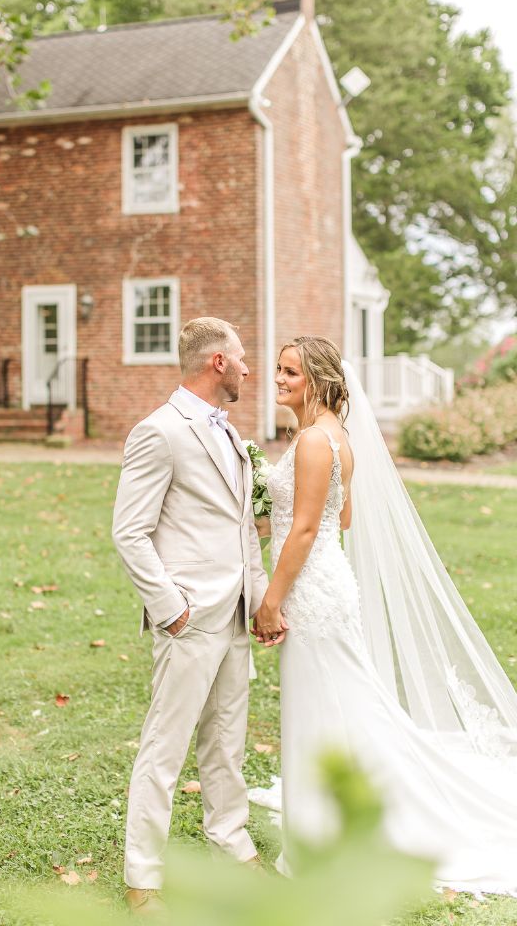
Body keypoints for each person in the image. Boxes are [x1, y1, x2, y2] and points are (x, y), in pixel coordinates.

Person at [251, 335, 517, 895]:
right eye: (277, 369)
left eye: (290, 372)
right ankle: (332, 816)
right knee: (340, 701)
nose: (278, 379)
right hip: (328, 581)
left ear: (319, 380)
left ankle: (330, 828)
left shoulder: (311, 444)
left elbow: (305, 529)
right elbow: (338, 519)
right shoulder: (336, 438)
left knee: (327, 703)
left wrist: (271, 599)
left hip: (310, 591)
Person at [112, 317, 270, 914]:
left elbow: (243, 530)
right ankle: (142, 879)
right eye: (243, 358)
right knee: (165, 748)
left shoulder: (229, 434)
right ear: (218, 364)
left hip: (232, 617)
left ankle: (231, 844)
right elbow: (130, 531)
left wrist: (256, 600)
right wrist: (169, 608)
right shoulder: (159, 432)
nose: (250, 369)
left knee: (226, 744)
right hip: (189, 616)